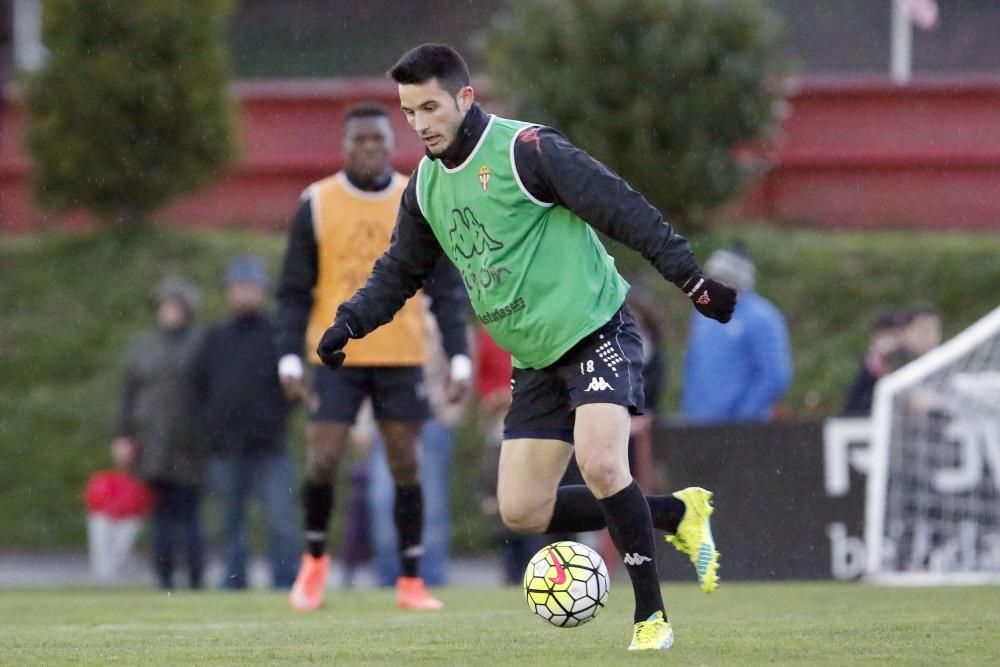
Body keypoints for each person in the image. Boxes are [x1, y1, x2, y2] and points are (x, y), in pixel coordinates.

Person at [314, 44, 735, 651]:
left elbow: (620, 207)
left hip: (596, 328)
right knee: (521, 510)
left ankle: (651, 618)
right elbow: (399, 271)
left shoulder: (527, 150)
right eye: (410, 112)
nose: (421, 123)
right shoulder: (427, 187)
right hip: (535, 360)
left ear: (464, 97)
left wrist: (691, 279)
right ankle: (672, 514)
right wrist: (350, 323)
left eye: (431, 106)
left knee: (601, 462)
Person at [275, 102, 470, 612]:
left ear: (391, 143)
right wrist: (288, 358)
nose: (370, 148)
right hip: (334, 352)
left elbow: (446, 288)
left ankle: (410, 578)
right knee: (323, 455)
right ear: (345, 146)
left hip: (401, 352)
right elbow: (294, 290)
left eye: (379, 140)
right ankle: (314, 562)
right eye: (360, 140)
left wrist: (458, 357)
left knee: (407, 463)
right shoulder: (316, 202)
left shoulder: (418, 195)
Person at [190, 257, 299, 590]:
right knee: (229, 524)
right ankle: (233, 585)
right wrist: (213, 428)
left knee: (281, 521)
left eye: (251, 288)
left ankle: (288, 585)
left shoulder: (279, 336)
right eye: (239, 289)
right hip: (226, 448)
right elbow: (198, 386)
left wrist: (273, 421)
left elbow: (293, 388)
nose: (245, 295)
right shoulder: (214, 338)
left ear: (263, 293)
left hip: (270, 447)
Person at [114, 277, 205, 590]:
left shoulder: (200, 345)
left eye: (175, 306)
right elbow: (128, 395)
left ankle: (195, 578)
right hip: (152, 445)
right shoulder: (144, 346)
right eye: (165, 306)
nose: (169, 312)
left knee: (189, 516)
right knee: (161, 517)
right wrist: (124, 436)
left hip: (190, 445)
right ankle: (163, 579)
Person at [367, 313, 469, 587]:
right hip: (388, 423)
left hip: (431, 423)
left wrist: (448, 416)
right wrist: (364, 425)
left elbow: (462, 359)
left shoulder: (440, 315)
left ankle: (430, 580)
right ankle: (389, 580)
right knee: (383, 502)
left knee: (431, 506)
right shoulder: (381, 308)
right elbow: (366, 371)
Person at [681, 243, 792, 423]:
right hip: (698, 423)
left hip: (742, 430)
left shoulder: (762, 317)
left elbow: (775, 376)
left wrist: (743, 417)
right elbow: (693, 364)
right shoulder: (702, 313)